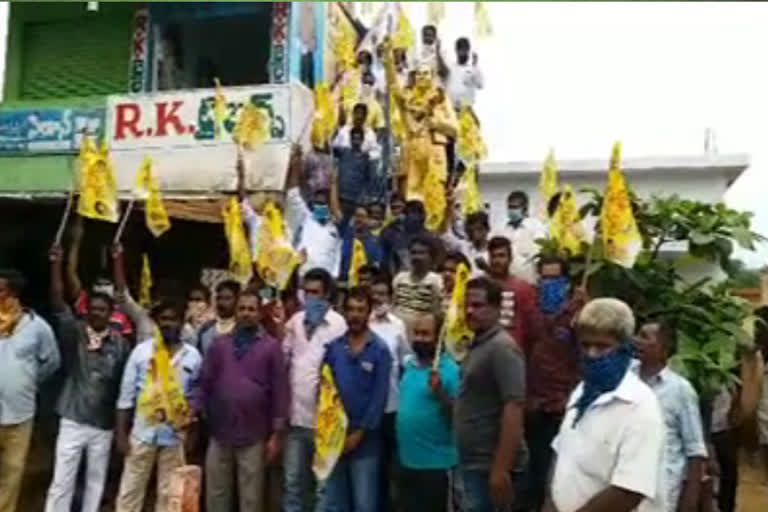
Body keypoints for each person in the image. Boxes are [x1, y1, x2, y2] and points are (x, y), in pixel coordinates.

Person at [544, 298, 665, 512]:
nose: (592, 354)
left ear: (625, 348)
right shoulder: (582, 392)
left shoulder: (640, 406)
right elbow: (561, 454)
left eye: (602, 346)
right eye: (586, 345)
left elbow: (628, 492)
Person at [113, 244, 202, 512]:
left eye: (173, 319)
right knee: (130, 492)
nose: (168, 324)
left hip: (174, 436)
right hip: (142, 433)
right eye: (163, 319)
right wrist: (121, 433)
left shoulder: (193, 357)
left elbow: (195, 397)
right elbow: (125, 396)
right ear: (156, 322)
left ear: (181, 322)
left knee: (169, 495)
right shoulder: (142, 352)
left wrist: (193, 434)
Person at [45, 245, 130, 512]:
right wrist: (55, 264)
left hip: (103, 424)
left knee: (96, 481)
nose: (96, 313)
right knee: (62, 480)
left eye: (102, 310)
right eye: (92, 308)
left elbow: (122, 387)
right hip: (72, 418)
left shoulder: (120, 343)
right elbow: (58, 302)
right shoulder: (75, 332)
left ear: (111, 313)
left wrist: (118, 260)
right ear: (87, 310)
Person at [199, 289, 289, 512]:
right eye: (242, 309)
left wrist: (277, 435)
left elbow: (280, 390)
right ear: (235, 312)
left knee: (251, 498)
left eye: (252, 309)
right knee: (216, 495)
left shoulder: (271, 347)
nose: (246, 313)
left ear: (260, 314)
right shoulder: (219, 345)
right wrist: (197, 411)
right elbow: (205, 382)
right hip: (220, 432)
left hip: (254, 435)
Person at [455, 277, 527, 512]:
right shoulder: (478, 344)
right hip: (473, 461)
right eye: (467, 305)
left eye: (478, 305)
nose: (469, 311)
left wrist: (500, 470)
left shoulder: (503, 348)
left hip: (490, 466)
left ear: (496, 309)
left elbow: (514, 407)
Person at [523, 255, 586, 512]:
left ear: (566, 282)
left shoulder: (577, 316)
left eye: (555, 278)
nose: (549, 283)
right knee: (533, 476)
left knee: (559, 477)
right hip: (532, 406)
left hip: (560, 409)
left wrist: (583, 310)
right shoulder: (533, 313)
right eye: (545, 278)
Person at [282, 268, 347, 512]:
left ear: (327, 295)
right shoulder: (295, 321)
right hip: (296, 420)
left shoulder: (338, 325)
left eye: (315, 293)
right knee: (293, 484)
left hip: (325, 421)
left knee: (323, 487)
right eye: (306, 292)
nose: (310, 298)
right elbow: (284, 358)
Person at [323, 287, 392, 512]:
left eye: (360, 310)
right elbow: (324, 391)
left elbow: (379, 398)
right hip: (334, 439)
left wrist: (359, 433)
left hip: (366, 441)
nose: (355, 314)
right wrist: (332, 432)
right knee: (334, 504)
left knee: (364, 504)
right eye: (351, 309)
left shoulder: (380, 350)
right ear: (343, 312)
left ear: (369, 312)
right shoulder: (333, 349)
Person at [0, 268, 60, 512]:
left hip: (19, 415)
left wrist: (28, 382)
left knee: (12, 473)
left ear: (13, 294)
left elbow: (52, 361)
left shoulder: (38, 327)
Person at [634, 321, 708, 512]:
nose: (637, 341)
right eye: (637, 335)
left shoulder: (680, 390)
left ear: (664, 348)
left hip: (663, 489)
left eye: (644, 337)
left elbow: (695, 448)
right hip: (627, 484)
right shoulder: (625, 379)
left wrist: (690, 500)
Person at [385, 38, 457, 229]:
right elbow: (393, 86)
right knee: (412, 198)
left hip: (434, 151)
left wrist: (436, 123)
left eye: (426, 74)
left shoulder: (441, 100)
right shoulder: (407, 100)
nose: (422, 77)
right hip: (412, 150)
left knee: (434, 198)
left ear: (432, 76)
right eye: (419, 74)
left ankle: (436, 228)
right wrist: (387, 57)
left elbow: (455, 130)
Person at [396, 312, 460, 512]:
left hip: (436, 467)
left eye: (425, 334)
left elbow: (458, 420)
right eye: (416, 333)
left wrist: (440, 393)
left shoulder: (450, 371)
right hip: (406, 463)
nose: (419, 339)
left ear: (439, 337)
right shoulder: (408, 366)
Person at [369, 272, 412, 511]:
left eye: (382, 294)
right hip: (366, 407)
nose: (378, 299)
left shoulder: (398, 326)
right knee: (369, 467)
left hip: (392, 406)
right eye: (374, 294)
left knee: (390, 465)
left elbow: (406, 360)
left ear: (391, 297)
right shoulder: (362, 323)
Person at [284, 145, 343, 279]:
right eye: (318, 203)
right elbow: (293, 193)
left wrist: (333, 182)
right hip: (301, 277)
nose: (321, 206)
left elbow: (335, 209)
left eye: (323, 203)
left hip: (326, 282)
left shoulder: (335, 226)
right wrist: (295, 164)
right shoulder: (304, 218)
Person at [487, 236, 538, 355]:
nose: (497, 261)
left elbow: (531, 326)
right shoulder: (480, 287)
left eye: (501, 256)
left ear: (510, 259)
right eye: (493, 256)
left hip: (515, 353)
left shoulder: (523, 288)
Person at [492, 191, 547, 284]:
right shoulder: (501, 228)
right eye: (509, 207)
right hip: (504, 279)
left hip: (528, 278)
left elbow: (539, 254)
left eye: (515, 207)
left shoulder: (536, 226)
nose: (511, 210)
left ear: (525, 208)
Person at [393, 235, 444, 333]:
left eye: (422, 253)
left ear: (431, 257)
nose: (416, 257)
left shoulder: (436, 281)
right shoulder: (400, 278)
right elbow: (393, 304)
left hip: (420, 333)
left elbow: (436, 314)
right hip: (397, 331)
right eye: (413, 253)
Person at [381, 199, 443, 275]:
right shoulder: (395, 238)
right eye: (408, 213)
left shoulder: (433, 239)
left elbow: (438, 264)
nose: (413, 217)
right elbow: (389, 264)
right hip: (402, 282)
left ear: (423, 216)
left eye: (416, 213)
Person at [339, 206, 384, 286]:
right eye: (356, 216)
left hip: (365, 283)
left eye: (362, 216)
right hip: (344, 282)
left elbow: (377, 264)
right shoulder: (345, 235)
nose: (358, 219)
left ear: (369, 220)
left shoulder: (376, 242)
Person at [196, 280, 240, 357]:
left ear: (237, 300)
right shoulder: (205, 329)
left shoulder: (242, 329)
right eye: (219, 298)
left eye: (227, 298)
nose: (221, 302)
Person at [441, 37, 484, 110]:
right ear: (456, 50)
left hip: (465, 110)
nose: (464, 52)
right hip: (449, 110)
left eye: (466, 49)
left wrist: (475, 65)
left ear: (469, 50)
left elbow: (480, 85)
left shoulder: (473, 68)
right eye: (461, 49)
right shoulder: (450, 66)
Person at [444, 210, 491, 276]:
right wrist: (449, 208)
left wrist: (486, 268)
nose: (476, 234)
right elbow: (445, 237)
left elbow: (501, 277)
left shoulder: (495, 251)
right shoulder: (463, 246)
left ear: (487, 229)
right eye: (472, 230)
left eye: (479, 229)